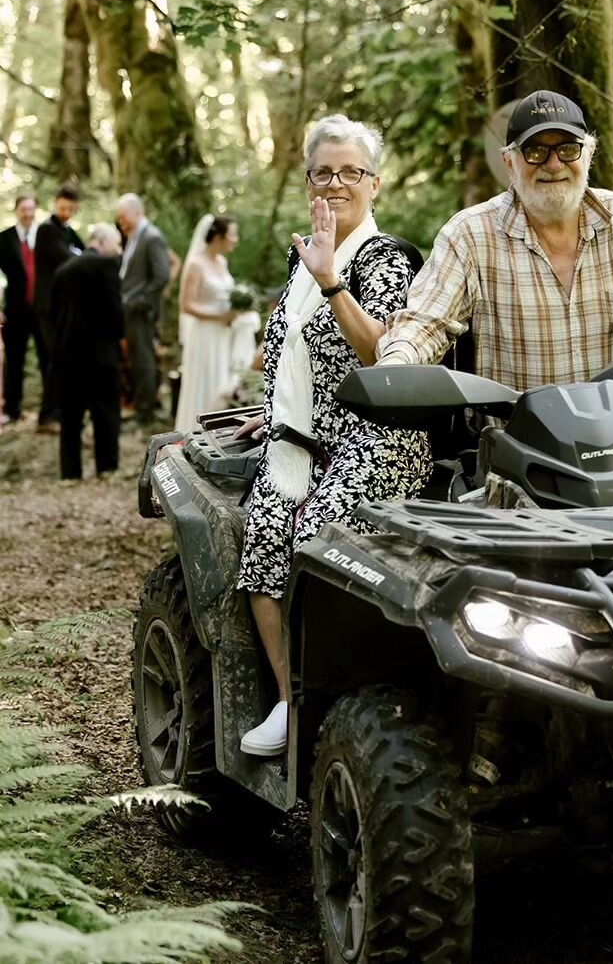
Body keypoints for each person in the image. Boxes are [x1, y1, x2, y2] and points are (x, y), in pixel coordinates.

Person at [376, 89, 613, 495]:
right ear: (509, 161)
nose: (554, 164)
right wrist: (396, 362)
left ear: (589, 154)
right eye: (535, 151)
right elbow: (426, 323)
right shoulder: (470, 234)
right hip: (519, 433)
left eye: (568, 148)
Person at [235, 115, 432, 757]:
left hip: (379, 439)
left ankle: (348, 704)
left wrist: (331, 280)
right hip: (307, 440)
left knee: (312, 545)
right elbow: (294, 357)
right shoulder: (302, 256)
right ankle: (294, 701)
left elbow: (382, 357)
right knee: (261, 540)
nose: (338, 183)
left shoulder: (385, 260)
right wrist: (273, 414)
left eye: (352, 172)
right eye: (325, 172)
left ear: (375, 183)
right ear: (308, 182)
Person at [51, 223, 124, 481]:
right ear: (102, 243)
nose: (118, 251)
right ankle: (107, 467)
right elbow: (116, 313)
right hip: (99, 353)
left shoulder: (63, 270)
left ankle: (70, 473)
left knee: (71, 417)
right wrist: (119, 338)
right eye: (116, 245)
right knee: (105, 412)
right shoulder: (105, 266)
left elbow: (53, 315)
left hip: (66, 354)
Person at [174, 214, 239, 431]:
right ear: (218, 237)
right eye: (232, 235)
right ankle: (192, 430)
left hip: (223, 334)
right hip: (203, 333)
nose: (235, 239)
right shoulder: (195, 264)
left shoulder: (222, 262)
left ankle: (216, 430)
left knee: (219, 380)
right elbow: (186, 305)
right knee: (202, 381)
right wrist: (218, 316)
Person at [115, 193, 171, 425]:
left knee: (144, 361)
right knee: (137, 362)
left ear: (138, 213)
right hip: (130, 310)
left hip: (141, 312)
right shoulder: (134, 236)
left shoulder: (152, 237)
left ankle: (145, 412)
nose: (121, 222)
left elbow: (162, 276)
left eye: (124, 217)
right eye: (119, 219)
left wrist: (139, 302)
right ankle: (140, 406)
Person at [32, 185, 84, 432]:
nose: (66, 213)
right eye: (63, 208)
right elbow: (70, 260)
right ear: (55, 203)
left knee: (61, 358)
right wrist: (78, 255)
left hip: (62, 306)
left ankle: (59, 411)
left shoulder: (68, 230)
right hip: (48, 306)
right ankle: (47, 416)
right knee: (54, 359)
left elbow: (85, 252)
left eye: (71, 209)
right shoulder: (46, 230)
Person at [0, 193, 41, 426]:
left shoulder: (46, 236)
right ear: (17, 211)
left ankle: (50, 411)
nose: (27, 214)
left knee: (49, 360)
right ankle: (12, 409)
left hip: (43, 311)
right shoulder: (4, 239)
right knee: (14, 362)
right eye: (23, 209)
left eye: (31, 209)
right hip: (15, 311)